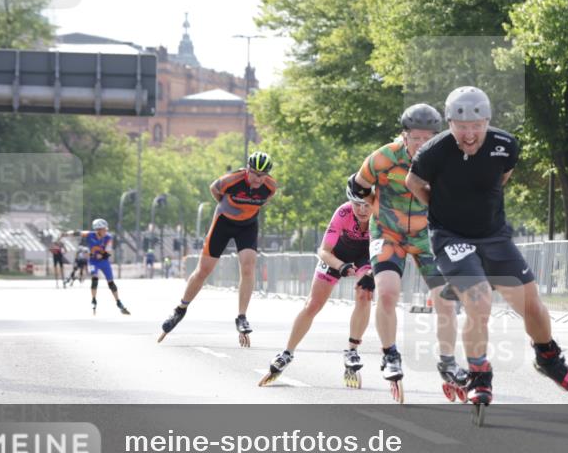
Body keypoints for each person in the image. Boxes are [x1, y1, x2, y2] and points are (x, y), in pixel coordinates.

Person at [406, 86, 568, 419]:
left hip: (493, 235)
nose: (470, 134)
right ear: (449, 124)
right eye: (462, 127)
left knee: (532, 303)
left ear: (488, 121)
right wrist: (441, 207)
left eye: (477, 126)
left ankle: (548, 358)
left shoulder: (505, 146)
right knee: (479, 301)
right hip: (451, 236)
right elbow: (413, 183)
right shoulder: (433, 152)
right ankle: (479, 374)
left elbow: (502, 177)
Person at [346, 104, 459, 403]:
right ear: (404, 136)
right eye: (416, 138)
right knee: (386, 293)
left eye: (428, 138)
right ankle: (389, 354)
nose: (422, 145)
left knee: (447, 301)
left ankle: (448, 362)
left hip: (426, 237)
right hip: (389, 233)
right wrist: (377, 206)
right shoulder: (384, 157)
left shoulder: (446, 159)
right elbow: (356, 187)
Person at [159, 151, 278, 346]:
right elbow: (214, 189)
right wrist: (227, 207)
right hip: (223, 223)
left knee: (248, 267)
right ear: (247, 170)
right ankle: (180, 309)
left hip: (247, 226)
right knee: (203, 270)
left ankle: (241, 316)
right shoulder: (231, 180)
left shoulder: (270, 187)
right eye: (255, 173)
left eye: (262, 175)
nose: (258, 178)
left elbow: (265, 199)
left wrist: (246, 210)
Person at [260, 193, 375, 387]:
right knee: (313, 305)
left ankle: (352, 351)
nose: (362, 210)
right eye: (357, 205)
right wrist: (341, 266)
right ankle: (286, 353)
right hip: (335, 256)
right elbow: (323, 251)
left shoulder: (382, 214)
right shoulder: (343, 213)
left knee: (364, 295)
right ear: (351, 203)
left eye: (367, 205)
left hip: (365, 256)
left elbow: (385, 248)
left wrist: (372, 272)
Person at [61, 218, 130, 315]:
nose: (106, 231)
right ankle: (93, 300)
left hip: (104, 261)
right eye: (104, 229)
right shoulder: (90, 234)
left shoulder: (108, 237)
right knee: (95, 279)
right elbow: (78, 233)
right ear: (98, 230)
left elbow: (109, 252)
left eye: (106, 229)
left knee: (110, 282)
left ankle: (118, 301)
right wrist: (66, 234)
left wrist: (101, 255)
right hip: (93, 261)